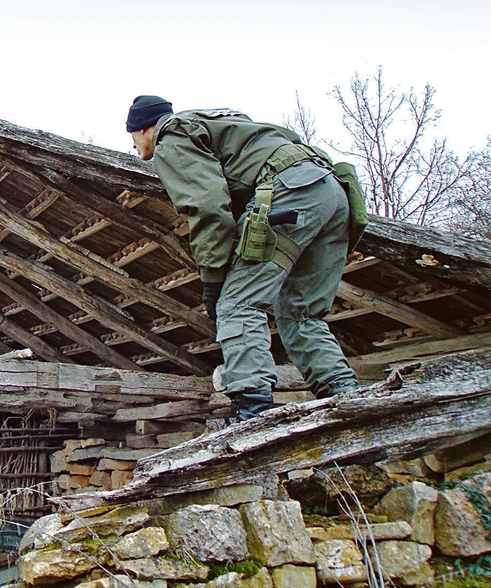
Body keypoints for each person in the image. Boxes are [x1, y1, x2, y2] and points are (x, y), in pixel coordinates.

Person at [126, 95, 359, 420]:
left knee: (237, 305)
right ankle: (349, 401)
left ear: (143, 128)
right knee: (301, 316)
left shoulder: (171, 135)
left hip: (289, 193)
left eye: (132, 137)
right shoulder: (224, 122)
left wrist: (213, 280)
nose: (135, 147)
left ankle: (254, 412)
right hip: (335, 194)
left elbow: (207, 203)